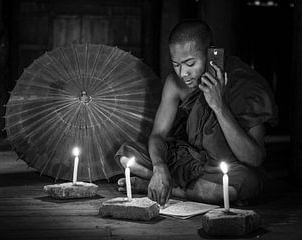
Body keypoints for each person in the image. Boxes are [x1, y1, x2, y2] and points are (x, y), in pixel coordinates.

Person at [114, 19, 277, 206]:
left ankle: (168, 188)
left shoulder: (243, 84)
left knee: (245, 183)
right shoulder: (175, 83)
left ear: (210, 54)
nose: (183, 73)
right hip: (188, 160)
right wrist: (160, 167)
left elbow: (254, 158)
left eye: (190, 63)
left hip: (223, 168)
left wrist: (218, 106)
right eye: (176, 64)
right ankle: (165, 180)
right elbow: (158, 135)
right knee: (127, 155)